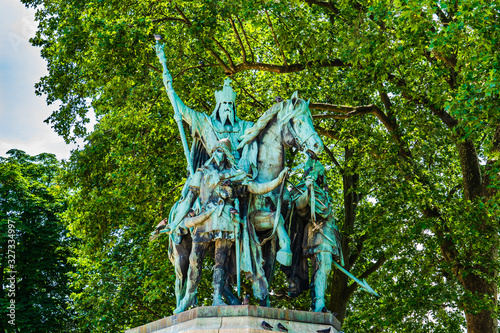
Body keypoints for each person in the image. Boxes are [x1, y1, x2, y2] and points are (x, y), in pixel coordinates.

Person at [173, 139, 288, 313]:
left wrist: (278, 180)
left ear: (226, 154)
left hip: (226, 220)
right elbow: (189, 199)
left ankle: (217, 297)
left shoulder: (234, 173)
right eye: (216, 150)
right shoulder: (202, 173)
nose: (218, 154)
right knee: (195, 260)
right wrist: (176, 222)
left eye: (221, 151)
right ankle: (189, 295)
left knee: (221, 262)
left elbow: (256, 188)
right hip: (204, 219)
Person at [291, 158, 342, 312]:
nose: (319, 175)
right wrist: (307, 189)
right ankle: (319, 304)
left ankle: (317, 304)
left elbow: (328, 212)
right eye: (316, 172)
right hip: (316, 232)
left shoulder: (324, 192)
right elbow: (299, 206)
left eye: (321, 173)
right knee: (322, 266)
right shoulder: (302, 188)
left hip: (328, 233)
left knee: (324, 269)